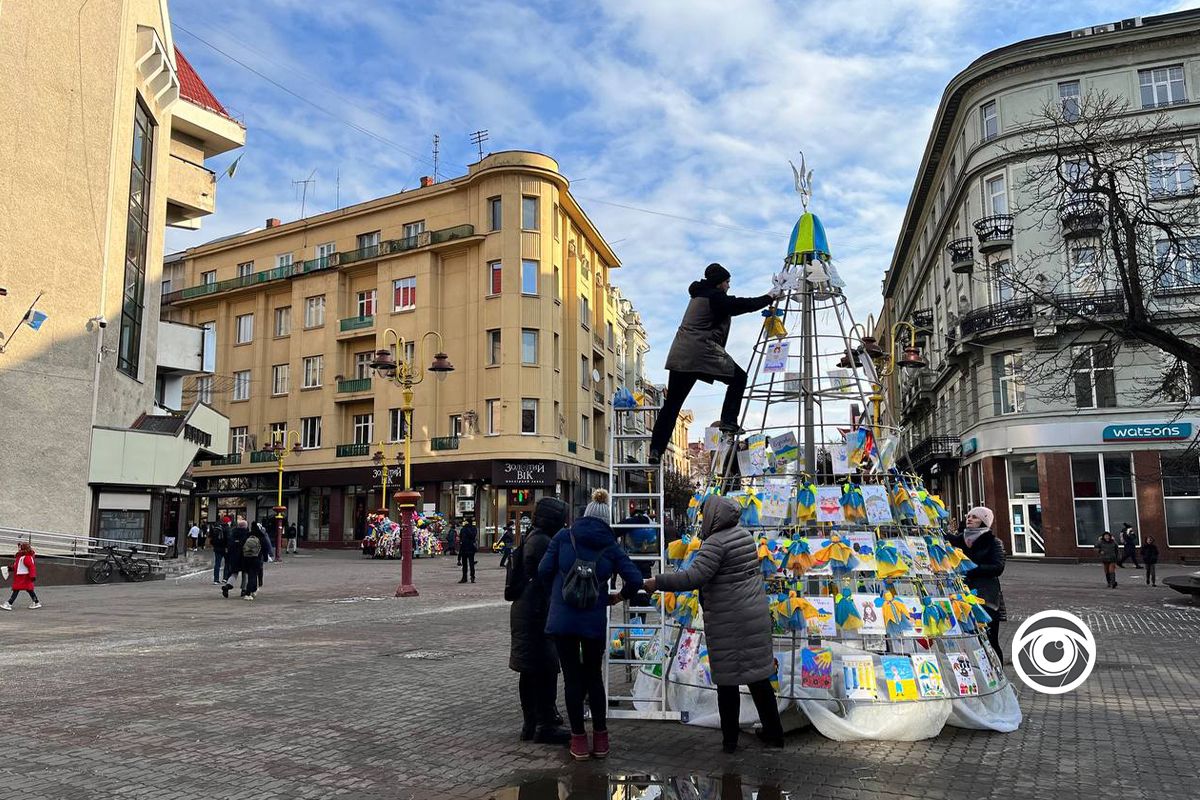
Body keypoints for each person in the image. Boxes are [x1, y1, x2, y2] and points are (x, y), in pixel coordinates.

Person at [643, 495, 783, 754]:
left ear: (713, 516)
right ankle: (775, 734)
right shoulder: (742, 535)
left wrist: (657, 582)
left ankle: (730, 743)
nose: (701, 518)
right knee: (758, 677)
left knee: (727, 682)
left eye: (704, 514)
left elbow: (693, 577)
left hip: (730, 621)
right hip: (753, 616)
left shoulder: (716, 543)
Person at [539, 488, 645, 761]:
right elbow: (634, 580)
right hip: (593, 622)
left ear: (584, 515)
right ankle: (601, 740)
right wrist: (617, 597)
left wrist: (560, 586)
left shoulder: (564, 537)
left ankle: (578, 742)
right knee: (593, 677)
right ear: (606, 520)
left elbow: (542, 570)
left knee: (572, 679)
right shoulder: (610, 545)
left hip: (563, 622)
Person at [647, 263, 780, 465]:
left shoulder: (699, 296)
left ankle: (656, 449)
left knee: (672, 406)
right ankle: (728, 422)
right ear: (719, 283)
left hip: (680, 355)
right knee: (739, 378)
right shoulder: (715, 297)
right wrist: (769, 297)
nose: (728, 286)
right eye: (727, 282)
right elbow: (741, 305)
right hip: (702, 352)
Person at [508, 497, 571, 745]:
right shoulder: (544, 541)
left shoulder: (532, 537)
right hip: (537, 613)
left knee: (531, 670)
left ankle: (532, 723)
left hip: (526, 611)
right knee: (544, 669)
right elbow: (551, 575)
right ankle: (542, 725)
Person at [947, 506, 1007, 663]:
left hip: (986, 596)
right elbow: (944, 540)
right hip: (962, 594)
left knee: (989, 639)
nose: (969, 518)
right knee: (967, 638)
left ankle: (998, 671)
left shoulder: (993, 542)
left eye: (975, 517)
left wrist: (972, 568)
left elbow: (998, 567)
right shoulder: (960, 540)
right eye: (969, 516)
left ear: (984, 521)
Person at [2, 542, 41, 610]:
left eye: (20, 547)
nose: (18, 549)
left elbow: (31, 567)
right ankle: (36, 602)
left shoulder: (26, 557)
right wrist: (10, 568)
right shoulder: (21, 557)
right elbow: (17, 567)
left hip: (23, 577)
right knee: (29, 590)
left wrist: (32, 576)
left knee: (16, 589)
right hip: (23, 576)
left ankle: (9, 603)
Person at [209, 518, 230, 585]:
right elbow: (228, 539)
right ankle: (225, 578)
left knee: (217, 564)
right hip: (225, 549)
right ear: (227, 522)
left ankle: (216, 579)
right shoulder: (227, 529)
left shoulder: (216, 528)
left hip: (217, 549)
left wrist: (215, 545)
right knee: (227, 563)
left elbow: (211, 539)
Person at [458, 519, 478, 583]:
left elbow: (461, 538)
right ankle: (472, 577)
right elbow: (473, 536)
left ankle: (464, 578)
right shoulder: (474, 528)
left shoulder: (463, 529)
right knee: (471, 563)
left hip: (464, 548)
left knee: (465, 564)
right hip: (471, 548)